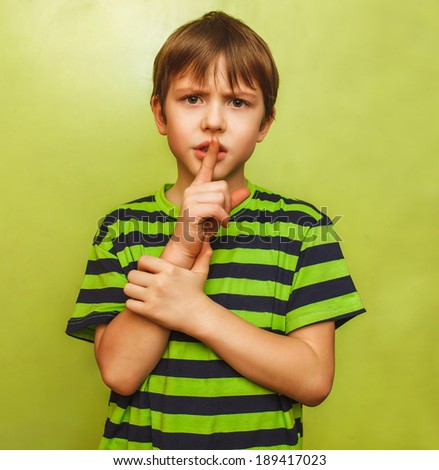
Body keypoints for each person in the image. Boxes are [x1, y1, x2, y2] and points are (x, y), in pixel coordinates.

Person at [66, 10, 365, 450]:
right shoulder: (121, 229)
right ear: (160, 114)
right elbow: (120, 373)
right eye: (192, 99)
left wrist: (194, 311)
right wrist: (181, 245)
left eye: (238, 102)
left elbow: (313, 379)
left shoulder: (306, 230)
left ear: (264, 123)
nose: (214, 121)